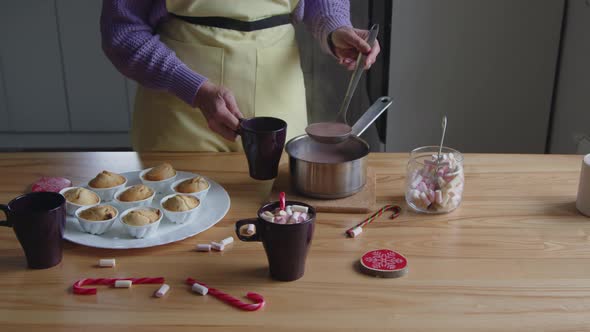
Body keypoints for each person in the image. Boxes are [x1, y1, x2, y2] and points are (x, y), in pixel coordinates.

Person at [101, 0, 380, 152]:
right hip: (179, 106)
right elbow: (123, 33)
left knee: (279, 217)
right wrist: (195, 90)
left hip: (278, 97)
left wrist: (334, 28)